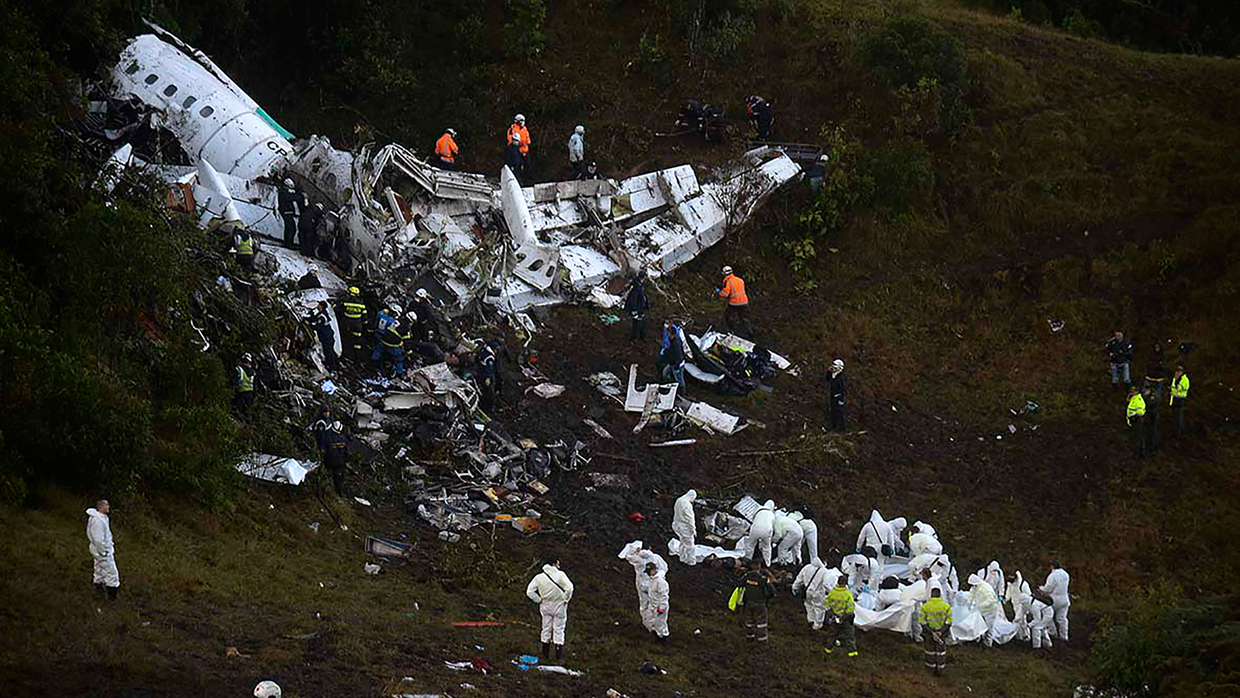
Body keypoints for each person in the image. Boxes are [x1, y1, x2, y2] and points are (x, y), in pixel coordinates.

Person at [526, 558, 573, 661]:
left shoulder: (539, 577)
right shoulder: (561, 575)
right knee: (558, 630)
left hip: (545, 606)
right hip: (559, 606)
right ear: (555, 563)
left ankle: (545, 655)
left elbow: (529, 592)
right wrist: (566, 599)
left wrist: (539, 600)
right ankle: (558, 657)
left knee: (546, 629)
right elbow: (569, 588)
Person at [619, 541, 667, 630]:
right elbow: (664, 568)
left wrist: (634, 550)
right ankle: (655, 628)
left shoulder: (638, 558)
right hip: (651, 585)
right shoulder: (655, 558)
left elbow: (627, 555)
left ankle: (651, 627)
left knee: (647, 606)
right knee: (653, 607)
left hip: (646, 586)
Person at [86, 500, 120, 599]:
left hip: (100, 550)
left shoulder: (101, 518)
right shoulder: (97, 520)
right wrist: (103, 552)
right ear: (101, 507)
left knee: (99, 570)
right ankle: (111, 597)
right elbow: (98, 539)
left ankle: (99, 591)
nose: (109, 507)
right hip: (102, 551)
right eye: (107, 505)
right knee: (111, 573)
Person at [740, 558, 775, 642]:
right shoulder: (762, 579)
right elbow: (772, 592)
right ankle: (762, 640)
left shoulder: (746, 577)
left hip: (748, 603)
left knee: (749, 621)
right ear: (759, 566)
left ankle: (749, 637)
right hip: (760, 604)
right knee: (761, 623)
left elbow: (740, 586)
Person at [791, 558, 832, 630]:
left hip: (807, 591)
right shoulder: (825, 571)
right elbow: (826, 584)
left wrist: (794, 587)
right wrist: (831, 593)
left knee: (808, 605)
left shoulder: (807, 567)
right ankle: (817, 625)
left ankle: (810, 620)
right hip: (818, 593)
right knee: (819, 608)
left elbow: (799, 579)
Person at [920, 587, 952, 675]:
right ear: (940, 595)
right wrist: (941, 631)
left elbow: (922, 621)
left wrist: (931, 632)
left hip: (929, 633)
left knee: (930, 651)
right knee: (941, 652)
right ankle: (940, 670)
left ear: (931, 595)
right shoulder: (946, 606)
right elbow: (949, 621)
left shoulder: (925, 606)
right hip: (942, 634)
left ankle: (930, 670)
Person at [371, 310, 412, 377]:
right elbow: (407, 342)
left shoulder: (396, 320)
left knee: (378, 350)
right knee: (399, 358)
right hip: (392, 345)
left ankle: (373, 362)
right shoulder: (406, 328)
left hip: (383, 339)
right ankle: (399, 373)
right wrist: (409, 352)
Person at [824, 577, 858, 657]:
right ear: (845, 583)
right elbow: (851, 607)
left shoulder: (832, 593)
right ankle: (852, 652)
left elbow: (826, 603)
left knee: (832, 634)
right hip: (845, 618)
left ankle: (828, 649)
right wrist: (844, 616)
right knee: (849, 635)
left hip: (834, 617)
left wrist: (831, 613)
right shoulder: (847, 594)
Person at [1040, 561, 1071, 642]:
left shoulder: (1052, 575)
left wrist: (1041, 588)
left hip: (1054, 600)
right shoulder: (1065, 574)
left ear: (1052, 566)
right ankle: (1064, 637)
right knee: (1062, 619)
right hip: (1065, 599)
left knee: (1047, 615)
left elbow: (1048, 588)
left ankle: (1053, 633)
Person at [1144, 347, 1167, 452]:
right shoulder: (1152, 357)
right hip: (1151, 377)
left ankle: (1153, 447)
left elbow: (1162, 366)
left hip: (1152, 415)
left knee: (1153, 430)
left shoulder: (1163, 357)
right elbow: (1151, 365)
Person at [717, 265, 751, 335]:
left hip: (734, 303)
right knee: (744, 319)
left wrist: (719, 292)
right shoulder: (740, 280)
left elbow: (725, 294)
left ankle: (732, 331)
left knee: (728, 316)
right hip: (744, 302)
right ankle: (750, 334)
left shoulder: (728, 281)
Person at [968, 573, 1001, 647]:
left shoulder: (986, 588)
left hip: (991, 610)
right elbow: (972, 594)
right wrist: (968, 603)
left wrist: (979, 606)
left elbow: (991, 600)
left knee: (989, 628)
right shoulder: (975, 586)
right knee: (980, 625)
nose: (972, 586)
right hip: (982, 610)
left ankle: (988, 644)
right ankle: (979, 642)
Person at [338, 287, 367, 363]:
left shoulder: (345, 302)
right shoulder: (361, 303)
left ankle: (347, 355)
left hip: (347, 324)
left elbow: (339, 310)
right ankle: (358, 357)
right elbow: (364, 316)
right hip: (357, 325)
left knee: (346, 338)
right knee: (357, 341)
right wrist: (365, 325)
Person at [320, 421, 349, 495]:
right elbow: (346, 451)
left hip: (329, 461)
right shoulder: (343, 439)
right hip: (340, 462)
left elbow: (323, 449)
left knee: (332, 475)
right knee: (339, 476)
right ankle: (339, 491)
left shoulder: (328, 438)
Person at [645, 562, 670, 641]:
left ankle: (664, 637)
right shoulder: (652, 579)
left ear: (654, 570)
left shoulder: (660, 581)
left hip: (659, 606)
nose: (648, 573)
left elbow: (664, 595)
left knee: (660, 623)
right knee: (651, 620)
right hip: (652, 604)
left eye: (649, 571)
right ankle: (656, 635)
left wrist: (662, 607)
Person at [658, 320, 687, 390]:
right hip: (672, 362)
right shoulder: (674, 340)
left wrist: (677, 366)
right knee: (665, 373)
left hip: (677, 364)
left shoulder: (676, 343)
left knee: (679, 379)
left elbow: (678, 355)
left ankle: (681, 391)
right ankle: (668, 385)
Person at [672, 489, 698, 565]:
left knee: (682, 542)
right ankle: (691, 561)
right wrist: (693, 529)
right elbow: (690, 518)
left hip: (677, 524)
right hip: (684, 527)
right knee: (690, 545)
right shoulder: (686, 504)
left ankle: (682, 558)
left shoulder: (679, 500)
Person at [311, 301, 338, 371]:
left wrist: (310, 326)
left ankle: (332, 367)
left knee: (328, 352)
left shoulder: (322, 317)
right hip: (328, 336)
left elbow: (318, 327)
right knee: (330, 351)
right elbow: (314, 318)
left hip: (327, 337)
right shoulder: (322, 313)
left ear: (321, 306)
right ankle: (335, 363)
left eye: (319, 305)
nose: (318, 306)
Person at [748, 500, 776, 567]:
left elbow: (752, 519)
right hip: (766, 531)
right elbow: (773, 525)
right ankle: (767, 564)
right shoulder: (772, 514)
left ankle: (747, 560)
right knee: (767, 547)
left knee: (750, 545)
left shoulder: (758, 510)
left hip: (755, 529)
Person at [277, 177, 304, 249]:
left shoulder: (283, 192)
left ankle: (287, 243)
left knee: (288, 228)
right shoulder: (284, 193)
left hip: (287, 212)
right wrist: (300, 194)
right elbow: (293, 197)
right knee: (292, 228)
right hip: (286, 212)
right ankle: (289, 244)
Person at [475, 340, 500, 414]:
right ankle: (488, 409)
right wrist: (489, 378)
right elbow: (489, 369)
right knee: (489, 393)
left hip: (479, 372)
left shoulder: (483, 351)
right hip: (484, 376)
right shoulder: (489, 357)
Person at [623, 271, 648, 341]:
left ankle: (640, 336)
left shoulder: (639, 285)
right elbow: (633, 299)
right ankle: (635, 338)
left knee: (640, 322)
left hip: (640, 308)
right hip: (637, 308)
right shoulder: (637, 287)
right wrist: (634, 310)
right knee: (637, 323)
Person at [507, 114, 531, 180]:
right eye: (521, 121)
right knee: (516, 166)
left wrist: (526, 142)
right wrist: (519, 143)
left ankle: (526, 180)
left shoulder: (525, 129)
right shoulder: (513, 129)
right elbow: (511, 140)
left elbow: (528, 139)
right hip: (516, 150)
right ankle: (517, 180)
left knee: (527, 166)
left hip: (525, 150)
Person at [827, 358, 848, 431]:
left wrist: (840, 396)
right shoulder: (833, 375)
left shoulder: (841, 378)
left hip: (838, 397)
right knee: (833, 412)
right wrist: (828, 372)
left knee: (839, 413)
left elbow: (843, 388)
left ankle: (841, 429)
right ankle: (834, 427)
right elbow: (828, 379)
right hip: (832, 396)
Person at [1169, 365, 1190, 438]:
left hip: (1180, 400)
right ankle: (1177, 431)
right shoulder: (1175, 379)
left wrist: (1176, 386)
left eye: (1179, 372)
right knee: (1175, 416)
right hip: (1174, 399)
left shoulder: (1184, 380)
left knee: (1179, 417)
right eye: (1176, 371)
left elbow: (1180, 388)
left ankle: (1179, 433)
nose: (1177, 373)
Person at [1127, 386, 1147, 457]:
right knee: (1136, 437)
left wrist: (1135, 417)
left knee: (1138, 437)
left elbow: (1141, 411)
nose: (1131, 393)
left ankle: (1138, 452)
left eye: (1133, 391)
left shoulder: (1138, 400)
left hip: (1137, 420)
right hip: (1134, 420)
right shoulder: (1134, 398)